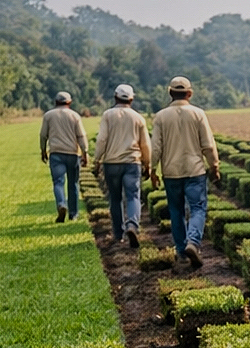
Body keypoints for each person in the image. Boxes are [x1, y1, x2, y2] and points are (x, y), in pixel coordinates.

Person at [150, 76, 220, 269]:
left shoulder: (161, 116)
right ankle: (193, 242)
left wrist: (152, 170)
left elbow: (155, 147)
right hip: (194, 170)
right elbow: (208, 144)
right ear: (189, 93)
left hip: (171, 171)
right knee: (197, 208)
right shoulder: (198, 114)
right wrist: (214, 165)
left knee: (176, 211)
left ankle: (181, 252)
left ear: (170, 93)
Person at [93, 84, 151, 247]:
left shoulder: (108, 115)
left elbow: (102, 139)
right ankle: (132, 225)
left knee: (115, 198)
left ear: (115, 97)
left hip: (111, 163)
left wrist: (97, 160)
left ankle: (118, 234)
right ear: (131, 99)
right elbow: (145, 144)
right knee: (133, 196)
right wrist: (148, 164)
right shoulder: (138, 118)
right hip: (132, 162)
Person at [39, 91, 89, 222]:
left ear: (55, 102)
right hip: (73, 154)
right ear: (69, 102)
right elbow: (81, 136)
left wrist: (43, 150)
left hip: (56, 153)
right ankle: (74, 214)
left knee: (58, 182)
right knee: (73, 184)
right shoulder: (74, 116)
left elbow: (43, 135)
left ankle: (61, 204)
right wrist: (85, 152)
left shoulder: (48, 115)